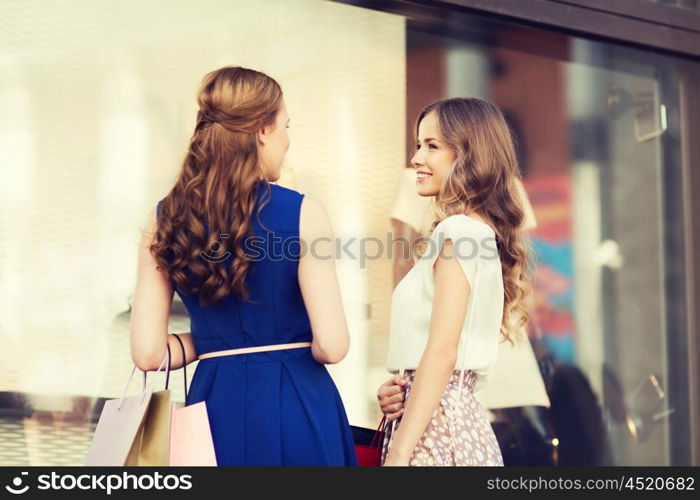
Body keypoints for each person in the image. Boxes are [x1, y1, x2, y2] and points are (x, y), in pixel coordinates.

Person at [129, 66, 357, 466]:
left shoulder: (163, 218)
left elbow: (149, 354)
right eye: (286, 125)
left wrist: (218, 341)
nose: (288, 141)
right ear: (264, 131)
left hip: (212, 410)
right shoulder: (304, 212)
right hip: (297, 404)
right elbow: (333, 345)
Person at [379, 97, 533, 466]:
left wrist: (399, 452)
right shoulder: (474, 233)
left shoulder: (458, 232)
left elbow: (443, 352)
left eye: (432, 146)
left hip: (434, 431)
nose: (417, 158)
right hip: (450, 421)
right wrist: (400, 386)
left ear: (469, 156)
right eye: (419, 145)